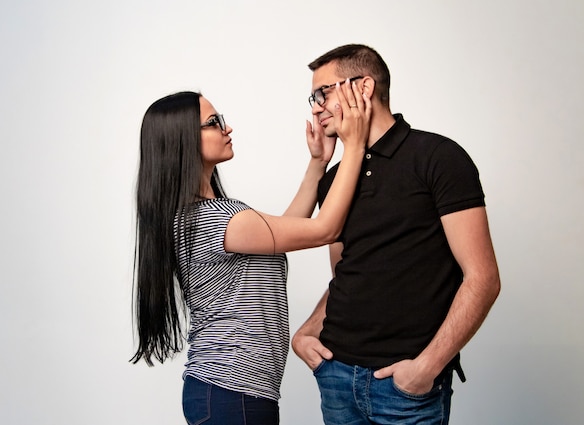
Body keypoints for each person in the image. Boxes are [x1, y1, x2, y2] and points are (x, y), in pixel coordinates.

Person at [131, 85, 371, 425]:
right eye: (213, 122)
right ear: (183, 139)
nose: (226, 128)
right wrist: (356, 145)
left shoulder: (207, 216)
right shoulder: (216, 220)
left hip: (231, 393)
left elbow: (286, 232)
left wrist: (319, 163)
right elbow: (326, 229)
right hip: (230, 393)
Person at [291, 44, 501, 425]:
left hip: (405, 386)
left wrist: (426, 367)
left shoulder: (438, 157)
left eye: (324, 92)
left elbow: (483, 278)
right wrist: (307, 331)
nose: (316, 106)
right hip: (336, 376)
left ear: (364, 87)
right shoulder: (336, 178)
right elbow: (346, 275)